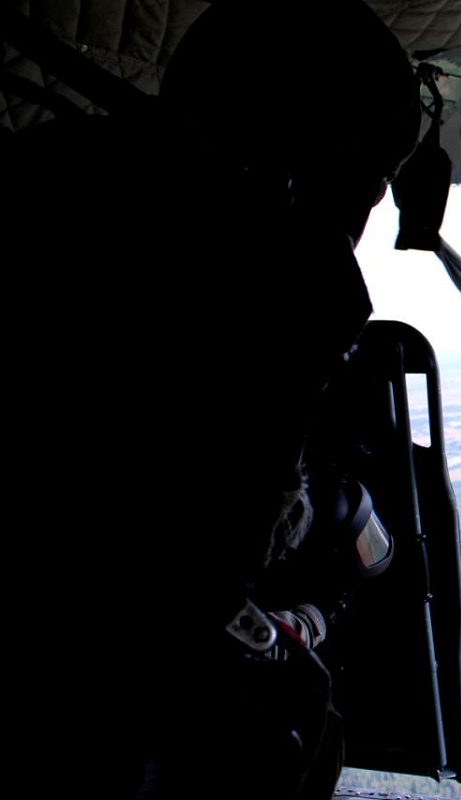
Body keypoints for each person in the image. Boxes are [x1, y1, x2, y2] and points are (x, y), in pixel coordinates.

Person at [4, 0, 420, 795]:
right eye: (372, 181)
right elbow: (196, 563)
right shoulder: (283, 274)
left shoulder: (55, 170)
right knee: (297, 716)